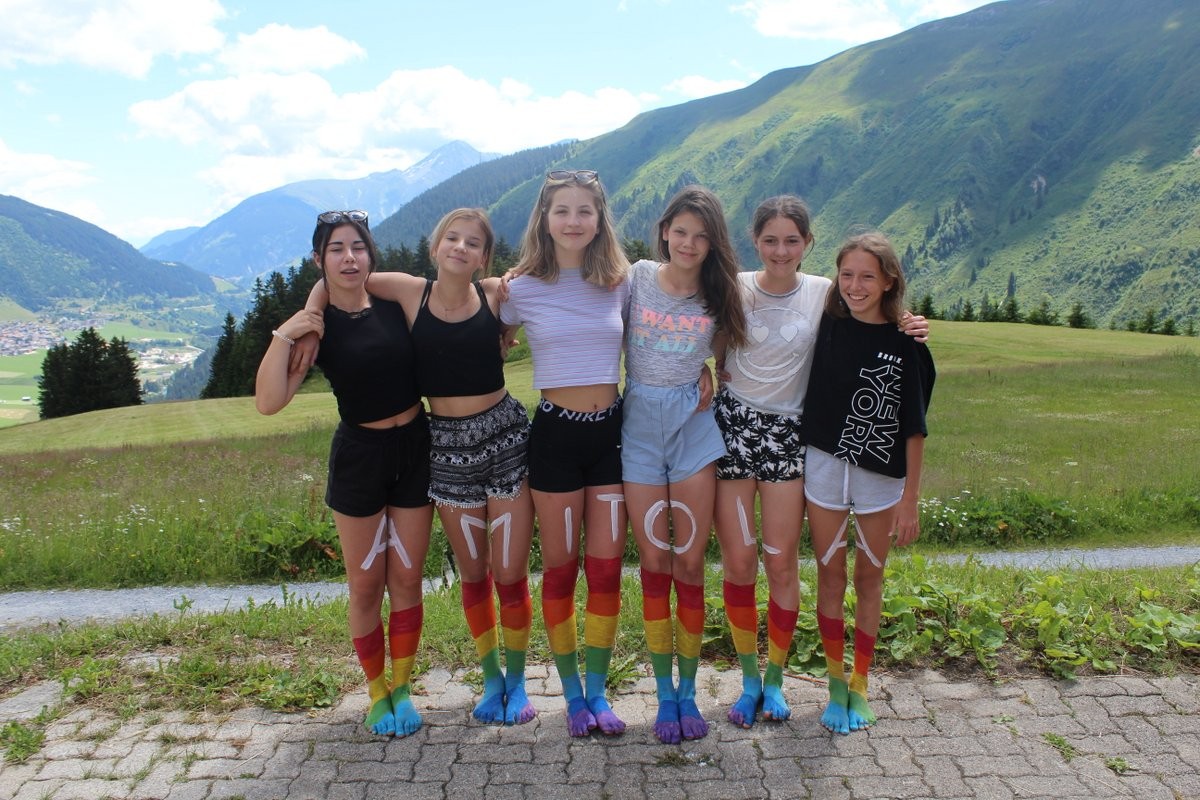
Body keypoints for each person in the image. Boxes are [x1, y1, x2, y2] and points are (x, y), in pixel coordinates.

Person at [299, 208, 537, 726]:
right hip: (445, 447)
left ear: (484, 257)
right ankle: (490, 678)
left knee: (510, 572)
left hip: (505, 439)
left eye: (472, 242)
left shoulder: (496, 293)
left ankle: (518, 683)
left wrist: (508, 315)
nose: (460, 247)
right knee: (473, 573)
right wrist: (312, 320)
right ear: (435, 247)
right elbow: (339, 278)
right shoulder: (409, 291)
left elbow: (547, 292)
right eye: (452, 237)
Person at [712, 197, 929, 728]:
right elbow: (701, 327)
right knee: (740, 564)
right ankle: (751, 682)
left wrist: (911, 325)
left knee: (783, 564)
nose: (780, 250)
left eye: (792, 240)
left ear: (807, 244)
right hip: (734, 432)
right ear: (754, 240)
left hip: (791, 438)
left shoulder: (825, 295)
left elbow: (879, 320)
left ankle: (782, 681)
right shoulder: (738, 287)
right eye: (770, 240)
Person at [255, 210, 434, 738]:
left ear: (370, 254)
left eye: (358, 247)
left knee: (407, 579)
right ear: (319, 259)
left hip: (415, 448)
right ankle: (376, 693)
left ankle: (403, 687)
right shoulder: (316, 328)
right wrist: (287, 333)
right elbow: (268, 402)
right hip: (360, 457)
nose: (349, 258)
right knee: (365, 585)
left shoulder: (393, 302)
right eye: (336, 249)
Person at [499, 169, 633, 737]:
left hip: (612, 438)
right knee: (560, 570)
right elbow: (473, 330)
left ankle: (599, 692)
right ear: (545, 219)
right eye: (562, 210)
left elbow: (672, 325)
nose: (573, 221)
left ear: (599, 220)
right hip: (554, 438)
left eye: (584, 210)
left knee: (605, 572)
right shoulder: (519, 289)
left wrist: (706, 367)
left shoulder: (622, 281)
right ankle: (573, 697)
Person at [622, 185, 748, 744]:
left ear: (713, 242)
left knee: (690, 565)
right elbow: (582, 301)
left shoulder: (721, 292)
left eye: (701, 235)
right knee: (654, 562)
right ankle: (662, 695)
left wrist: (708, 370)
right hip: (639, 429)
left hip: (694, 428)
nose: (689, 243)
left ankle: (690, 691)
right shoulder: (636, 278)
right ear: (664, 231)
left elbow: (729, 346)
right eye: (681, 231)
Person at [800, 231, 935, 735]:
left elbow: (915, 428)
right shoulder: (826, 324)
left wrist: (910, 500)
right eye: (847, 275)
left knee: (870, 578)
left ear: (889, 281)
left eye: (867, 277)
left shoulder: (906, 343)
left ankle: (860, 683)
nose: (855, 286)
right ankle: (835, 685)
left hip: (881, 479)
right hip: (824, 467)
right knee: (830, 577)